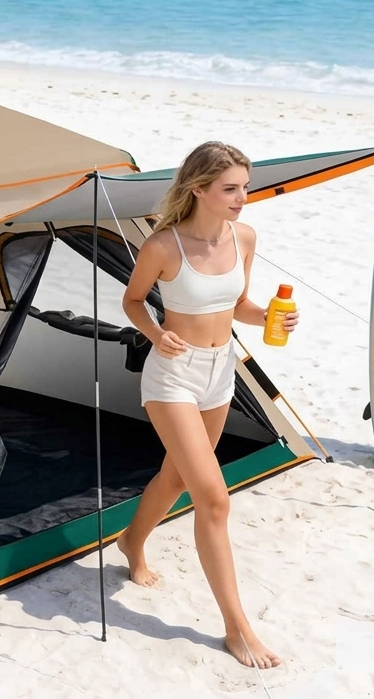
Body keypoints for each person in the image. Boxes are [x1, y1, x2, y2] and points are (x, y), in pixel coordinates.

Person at [117, 141, 298, 669]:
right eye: (231, 189)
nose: (243, 197)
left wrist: (269, 317)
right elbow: (132, 300)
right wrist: (155, 333)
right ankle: (237, 629)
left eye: (245, 186)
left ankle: (132, 541)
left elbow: (237, 303)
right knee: (214, 501)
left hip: (222, 373)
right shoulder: (163, 246)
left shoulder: (244, 237)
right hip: (173, 376)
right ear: (199, 189)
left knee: (176, 479)